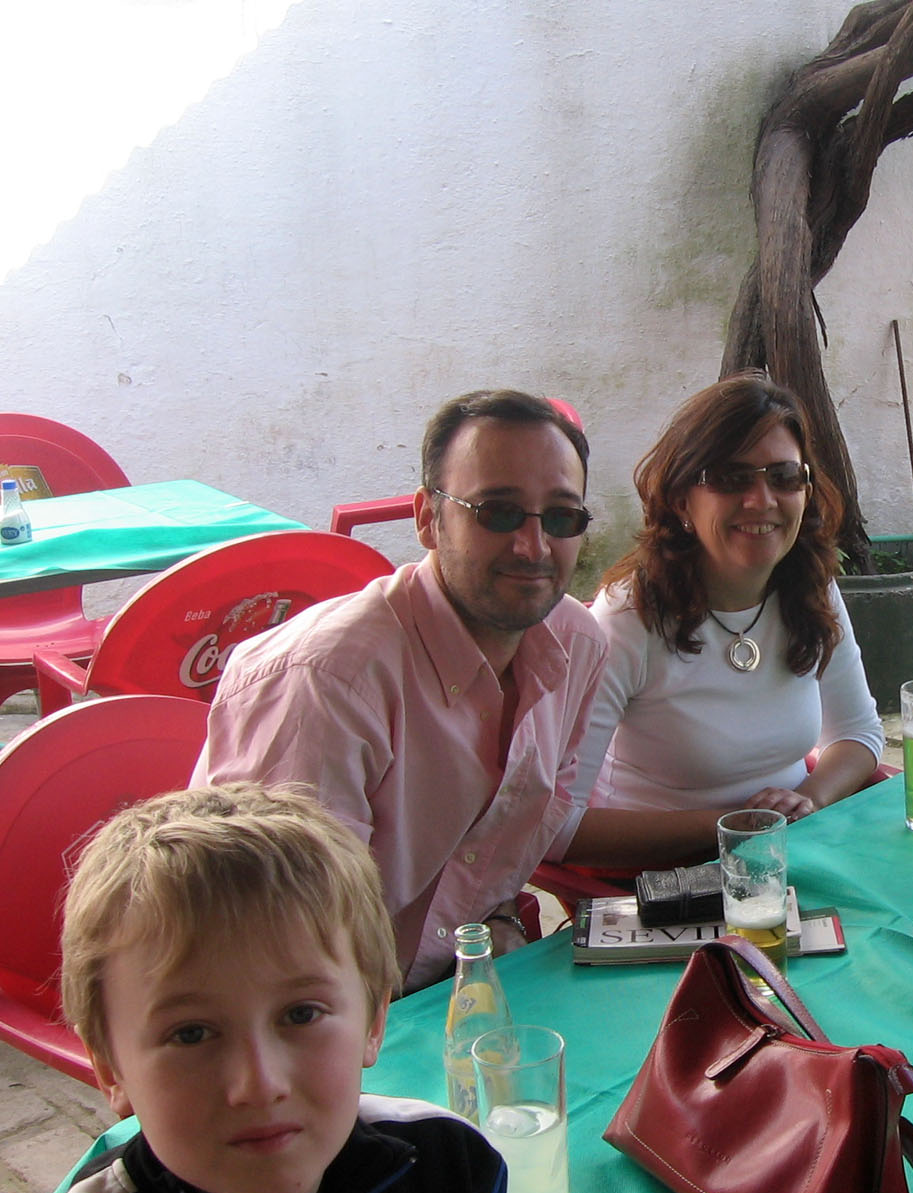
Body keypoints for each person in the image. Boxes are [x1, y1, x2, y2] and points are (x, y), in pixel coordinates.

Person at [0, 784, 529, 1193]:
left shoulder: (451, 1174)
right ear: (110, 1067)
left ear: (373, 1023)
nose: (259, 1084)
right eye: (191, 1033)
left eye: (301, 1014)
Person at [193, 389, 605, 991]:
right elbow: (273, 938)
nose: (533, 546)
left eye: (562, 518)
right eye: (497, 512)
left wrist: (495, 925)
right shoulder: (326, 680)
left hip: (457, 984)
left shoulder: (576, 644)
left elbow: (514, 840)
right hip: (317, 1005)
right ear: (427, 519)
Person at [574, 372, 883, 866]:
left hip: (788, 853)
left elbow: (858, 733)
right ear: (681, 500)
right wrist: (737, 826)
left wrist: (809, 799)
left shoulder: (808, 586)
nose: (761, 500)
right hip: (663, 877)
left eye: (784, 477)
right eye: (731, 478)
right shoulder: (627, 619)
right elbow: (561, 826)